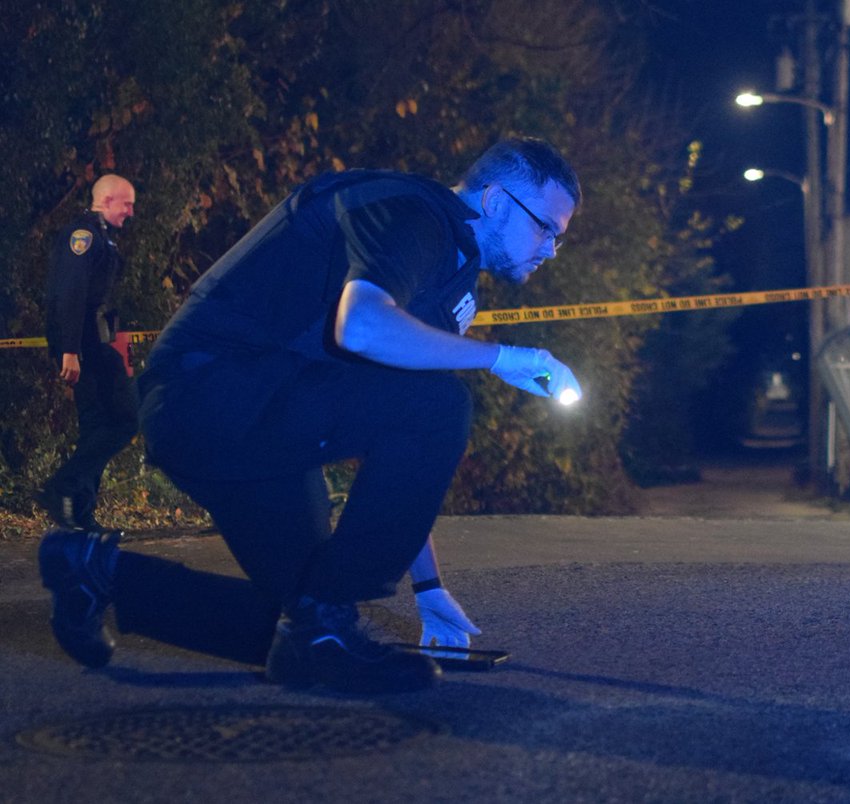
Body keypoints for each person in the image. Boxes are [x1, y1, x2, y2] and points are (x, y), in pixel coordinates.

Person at [38, 138, 583, 694]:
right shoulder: (412, 214)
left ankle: (94, 569)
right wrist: (504, 358)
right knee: (444, 405)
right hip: (209, 393)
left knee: (308, 626)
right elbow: (364, 328)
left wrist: (429, 589)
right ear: (494, 201)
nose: (551, 249)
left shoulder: (453, 270)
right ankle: (324, 625)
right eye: (547, 229)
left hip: (256, 416)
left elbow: (403, 432)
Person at [38, 174, 139, 532]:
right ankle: (62, 487)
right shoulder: (84, 236)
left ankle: (79, 512)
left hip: (94, 342)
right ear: (107, 200)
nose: (131, 211)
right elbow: (71, 293)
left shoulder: (101, 236)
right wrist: (69, 350)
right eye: (126, 203)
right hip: (86, 344)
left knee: (97, 426)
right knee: (127, 419)